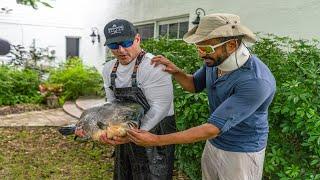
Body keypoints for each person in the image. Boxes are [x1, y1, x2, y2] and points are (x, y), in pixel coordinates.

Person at [127, 13, 276, 180]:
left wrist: (156, 140)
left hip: (242, 152)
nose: (200, 54)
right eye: (198, 48)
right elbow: (194, 85)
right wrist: (176, 71)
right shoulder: (216, 61)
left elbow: (212, 128)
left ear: (232, 45)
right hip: (214, 143)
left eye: (205, 49)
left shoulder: (255, 81)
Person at [76, 19, 176, 180]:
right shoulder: (109, 69)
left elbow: (160, 108)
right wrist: (102, 129)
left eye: (126, 43)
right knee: (125, 174)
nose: (121, 50)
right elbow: (112, 106)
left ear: (137, 39)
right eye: (114, 46)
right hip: (124, 128)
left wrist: (130, 134)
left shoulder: (153, 66)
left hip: (155, 130)